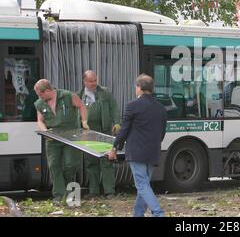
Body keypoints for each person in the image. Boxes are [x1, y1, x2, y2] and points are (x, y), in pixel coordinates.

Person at [107, 74, 167, 217]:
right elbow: (162, 133)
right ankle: (138, 213)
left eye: (136, 86)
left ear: (139, 88)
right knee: (144, 184)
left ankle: (158, 213)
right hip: (153, 151)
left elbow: (124, 130)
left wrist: (114, 148)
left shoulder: (132, 106)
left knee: (141, 185)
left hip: (137, 151)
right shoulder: (161, 108)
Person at [34, 79, 89, 202]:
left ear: (48, 90)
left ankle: (64, 188)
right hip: (52, 137)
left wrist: (84, 121)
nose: (40, 97)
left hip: (71, 135)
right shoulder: (40, 103)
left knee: (71, 164)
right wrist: (45, 131)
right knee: (54, 165)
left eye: (41, 94)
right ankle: (59, 195)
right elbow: (40, 120)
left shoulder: (68, 96)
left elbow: (82, 106)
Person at [78, 70, 121, 199]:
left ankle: (109, 192)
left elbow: (114, 108)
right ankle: (94, 191)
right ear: (84, 81)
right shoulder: (79, 95)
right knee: (91, 164)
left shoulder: (105, 93)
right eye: (91, 81)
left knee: (106, 161)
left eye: (95, 80)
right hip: (87, 134)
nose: (94, 83)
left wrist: (117, 123)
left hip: (104, 132)